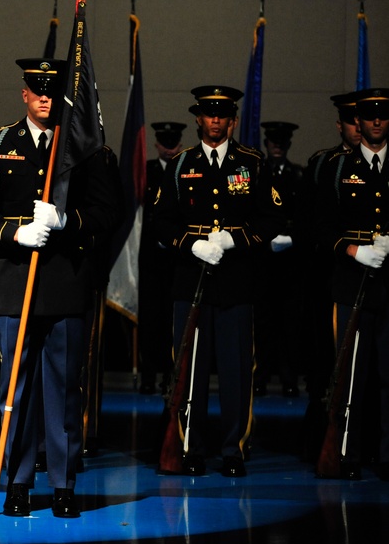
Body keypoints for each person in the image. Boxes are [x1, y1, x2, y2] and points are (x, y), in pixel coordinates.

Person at [0, 58, 118, 518]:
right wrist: (11, 234)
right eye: (36, 89)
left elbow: (105, 213)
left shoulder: (84, 148)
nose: (43, 98)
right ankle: (16, 482)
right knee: (15, 391)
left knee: (62, 389)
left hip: (63, 283)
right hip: (14, 283)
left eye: (52, 91)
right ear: (24, 94)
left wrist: (64, 221)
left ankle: (63, 482)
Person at [152, 85, 284, 477]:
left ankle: (233, 448)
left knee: (236, 370)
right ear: (198, 119)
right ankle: (190, 446)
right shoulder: (181, 164)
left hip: (236, 283)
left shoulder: (252, 163)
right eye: (209, 114)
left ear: (232, 120)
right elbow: (160, 221)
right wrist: (190, 244)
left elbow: (273, 219)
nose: (215, 121)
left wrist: (233, 238)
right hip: (190, 282)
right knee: (189, 370)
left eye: (222, 115)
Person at [315, 87, 389, 481]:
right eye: (369, 115)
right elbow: (321, 226)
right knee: (351, 374)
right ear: (356, 122)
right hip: (351, 282)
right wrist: (352, 250)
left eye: (382, 115)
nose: (376, 121)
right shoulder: (337, 167)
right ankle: (346, 453)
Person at [253, 121, 304, 397]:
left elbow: (305, 215)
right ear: (266, 144)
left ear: (288, 146)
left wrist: (292, 238)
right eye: (273, 142)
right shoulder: (258, 175)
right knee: (262, 322)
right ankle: (260, 375)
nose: (277, 147)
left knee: (289, 324)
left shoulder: (298, 176)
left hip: (290, 264)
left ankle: (288, 378)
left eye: (282, 143)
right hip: (263, 260)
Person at [138, 122, 184, 394]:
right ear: (156, 144)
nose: (169, 148)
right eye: (164, 143)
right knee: (149, 321)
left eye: (174, 143)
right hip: (150, 259)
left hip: (176, 258)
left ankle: (170, 375)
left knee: (171, 320)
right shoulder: (144, 172)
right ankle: (147, 375)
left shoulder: (184, 171)